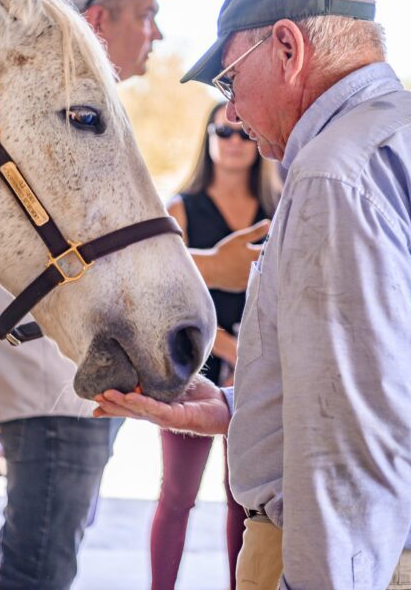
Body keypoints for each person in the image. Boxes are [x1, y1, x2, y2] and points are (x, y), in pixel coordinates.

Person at [94, 0, 411, 590]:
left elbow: (354, 434)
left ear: (287, 47)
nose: (232, 112)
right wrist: (242, 408)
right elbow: (409, 378)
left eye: (229, 81)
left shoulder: (335, 170)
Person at [0, 0, 185, 590]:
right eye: (146, 13)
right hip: (55, 386)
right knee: (39, 570)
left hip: (51, 383)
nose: (158, 33)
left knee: (30, 558)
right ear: (95, 18)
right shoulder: (63, 124)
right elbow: (72, 254)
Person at [150, 102, 280, 590]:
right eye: (222, 130)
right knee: (178, 494)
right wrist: (227, 348)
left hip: (260, 370)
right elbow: (163, 299)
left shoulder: (280, 207)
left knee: (241, 498)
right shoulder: (179, 208)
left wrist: (251, 355)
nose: (232, 140)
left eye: (244, 132)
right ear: (207, 137)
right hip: (192, 369)